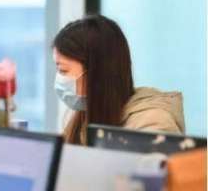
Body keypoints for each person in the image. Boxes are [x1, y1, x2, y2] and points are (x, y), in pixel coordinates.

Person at [52, 14, 185, 144]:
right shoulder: (84, 114)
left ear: (96, 72)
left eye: (63, 70)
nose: (59, 78)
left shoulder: (153, 125)